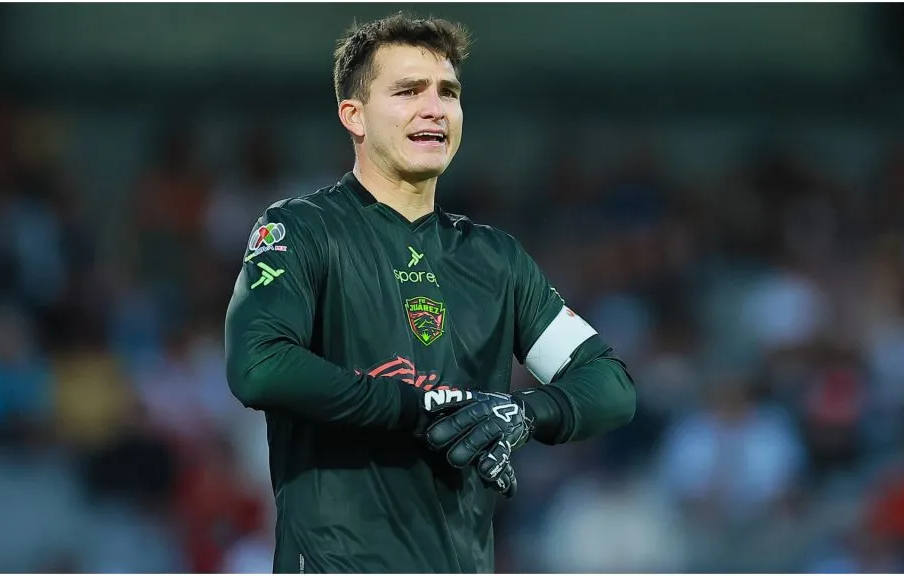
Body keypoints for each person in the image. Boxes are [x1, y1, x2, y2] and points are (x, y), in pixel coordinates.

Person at [225, 12, 636, 574]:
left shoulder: (495, 259)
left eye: (448, 92)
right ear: (355, 115)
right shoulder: (302, 230)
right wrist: (419, 406)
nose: (434, 108)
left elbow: (609, 384)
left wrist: (521, 412)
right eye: (408, 91)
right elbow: (259, 365)